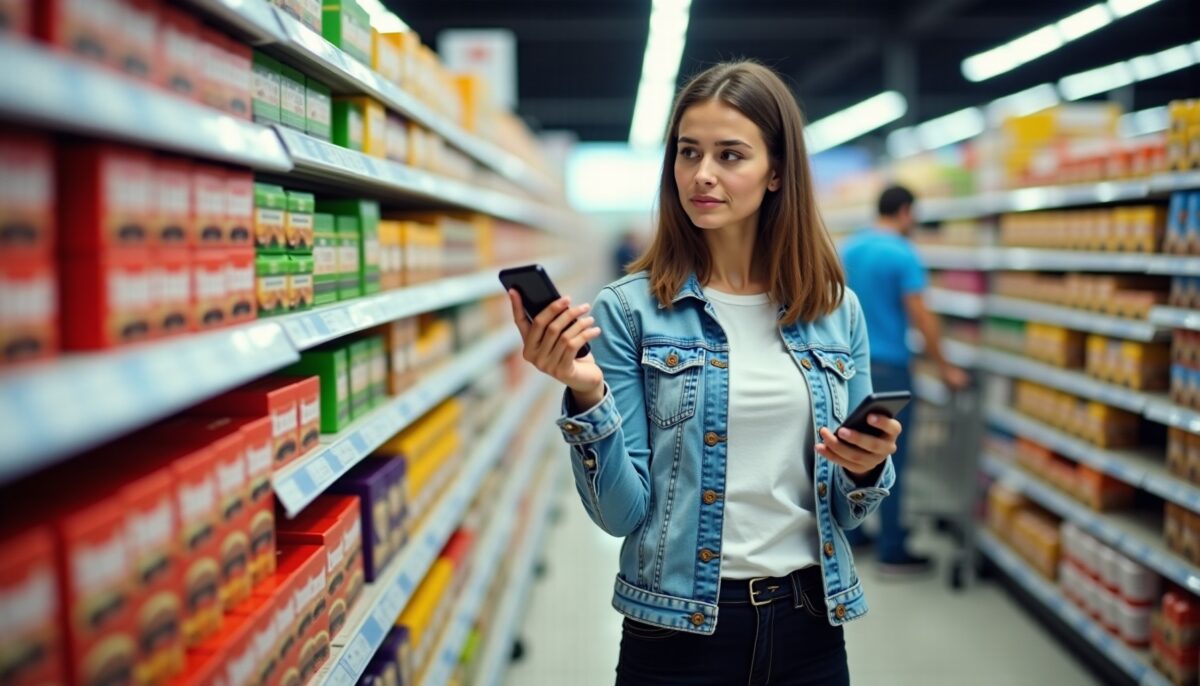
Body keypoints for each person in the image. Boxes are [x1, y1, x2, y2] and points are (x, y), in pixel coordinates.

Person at [507, 60, 900, 686]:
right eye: (688, 153)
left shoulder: (833, 308)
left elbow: (848, 514)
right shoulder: (629, 310)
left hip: (812, 625)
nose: (702, 175)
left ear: (777, 172)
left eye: (730, 155)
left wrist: (868, 465)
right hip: (676, 630)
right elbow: (620, 516)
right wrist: (587, 397)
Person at [838, 185, 970, 576]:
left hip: (852, 364)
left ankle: (857, 534)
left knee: (853, 449)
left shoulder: (852, 248)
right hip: (891, 367)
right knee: (890, 454)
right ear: (906, 212)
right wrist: (945, 366)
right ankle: (892, 548)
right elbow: (921, 316)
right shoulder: (902, 252)